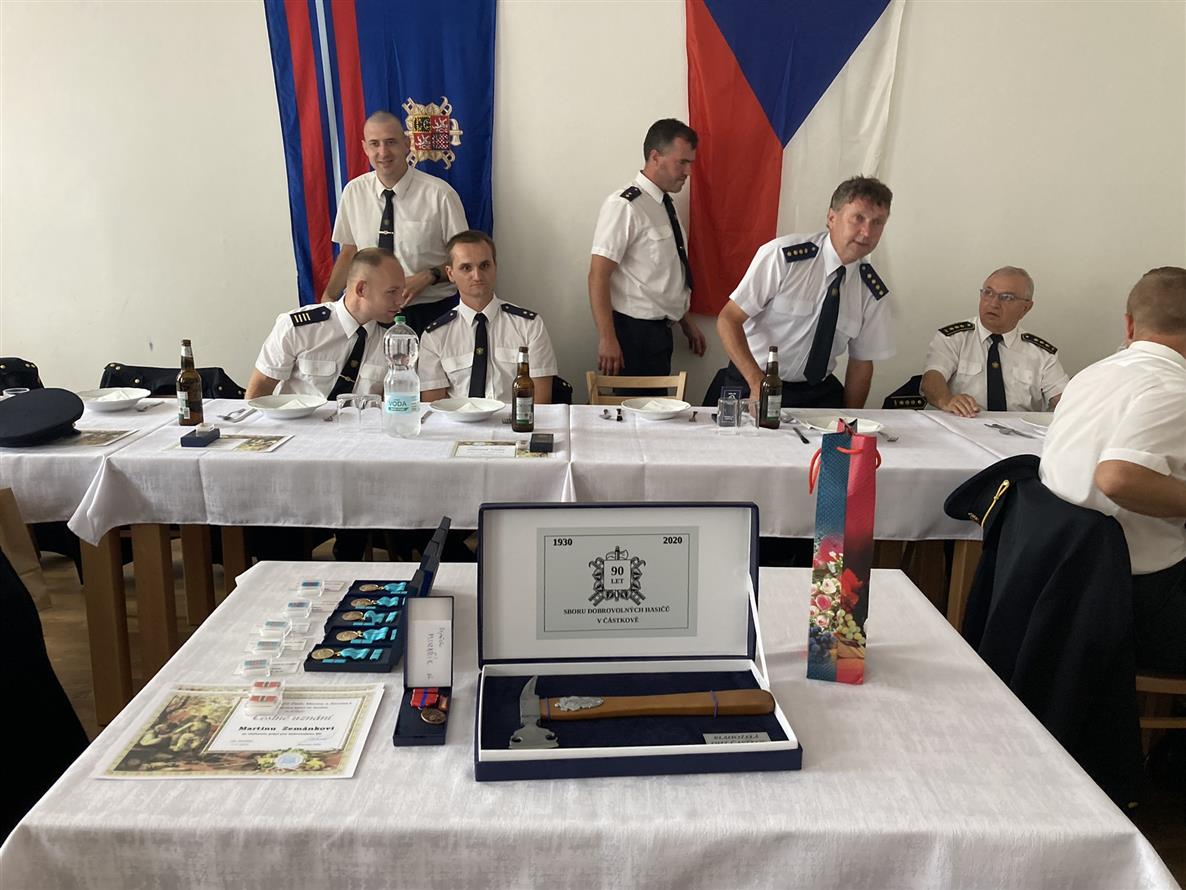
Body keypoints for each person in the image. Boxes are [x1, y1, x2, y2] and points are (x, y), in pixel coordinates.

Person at [1040, 266, 1186, 673]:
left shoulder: (1092, 374)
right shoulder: (1174, 389)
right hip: (1132, 600)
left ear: (1129, 324)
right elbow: (1118, 477)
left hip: (1061, 577)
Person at [714, 176, 894, 409]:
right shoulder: (783, 257)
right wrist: (757, 383)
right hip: (753, 380)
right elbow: (728, 319)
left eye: (877, 222)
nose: (867, 232)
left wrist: (849, 418)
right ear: (831, 218)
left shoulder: (871, 290)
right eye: (858, 218)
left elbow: (861, 364)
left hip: (816, 393)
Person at [322, 110, 468, 335]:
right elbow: (350, 251)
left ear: (407, 144)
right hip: (369, 314)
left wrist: (428, 276)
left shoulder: (440, 195)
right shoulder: (353, 192)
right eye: (374, 144)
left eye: (391, 142)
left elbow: (464, 260)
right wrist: (329, 298)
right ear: (365, 148)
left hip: (430, 313)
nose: (383, 152)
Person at [589, 118, 706, 379]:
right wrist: (607, 338)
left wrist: (685, 320)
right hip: (632, 335)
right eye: (682, 162)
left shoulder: (663, 204)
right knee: (632, 405)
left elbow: (663, 275)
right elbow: (598, 275)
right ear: (655, 157)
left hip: (659, 334)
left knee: (656, 404)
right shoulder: (625, 206)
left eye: (690, 163)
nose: (688, 172)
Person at [246, 249, 405, 400]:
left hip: (362, 420)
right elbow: (260, 389)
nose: (401, 301)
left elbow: (394, 404)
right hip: (298, 420)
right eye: (392, 292)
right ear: (361, 289)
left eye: (401, 291)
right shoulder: (299, 328)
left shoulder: (395, 341)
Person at [419, 231, 557, 403]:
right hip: (460, 420)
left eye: (484, 266)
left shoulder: (529, 325)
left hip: (515, 419)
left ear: (495, 267)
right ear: (450, 273)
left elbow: (541, 402)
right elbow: (433, 407)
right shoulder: (435, 336)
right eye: (466, 268)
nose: (477, 276)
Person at [921, 266, 1068, 415]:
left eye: (1007, 297)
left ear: (1026, 308)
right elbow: (932, 379)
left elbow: (1064, 399)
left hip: (1018, 428)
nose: (993, 304)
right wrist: (947, 400)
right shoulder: (953, 338)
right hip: (962, 422)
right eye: (988, 293)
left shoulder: (1042, 354)